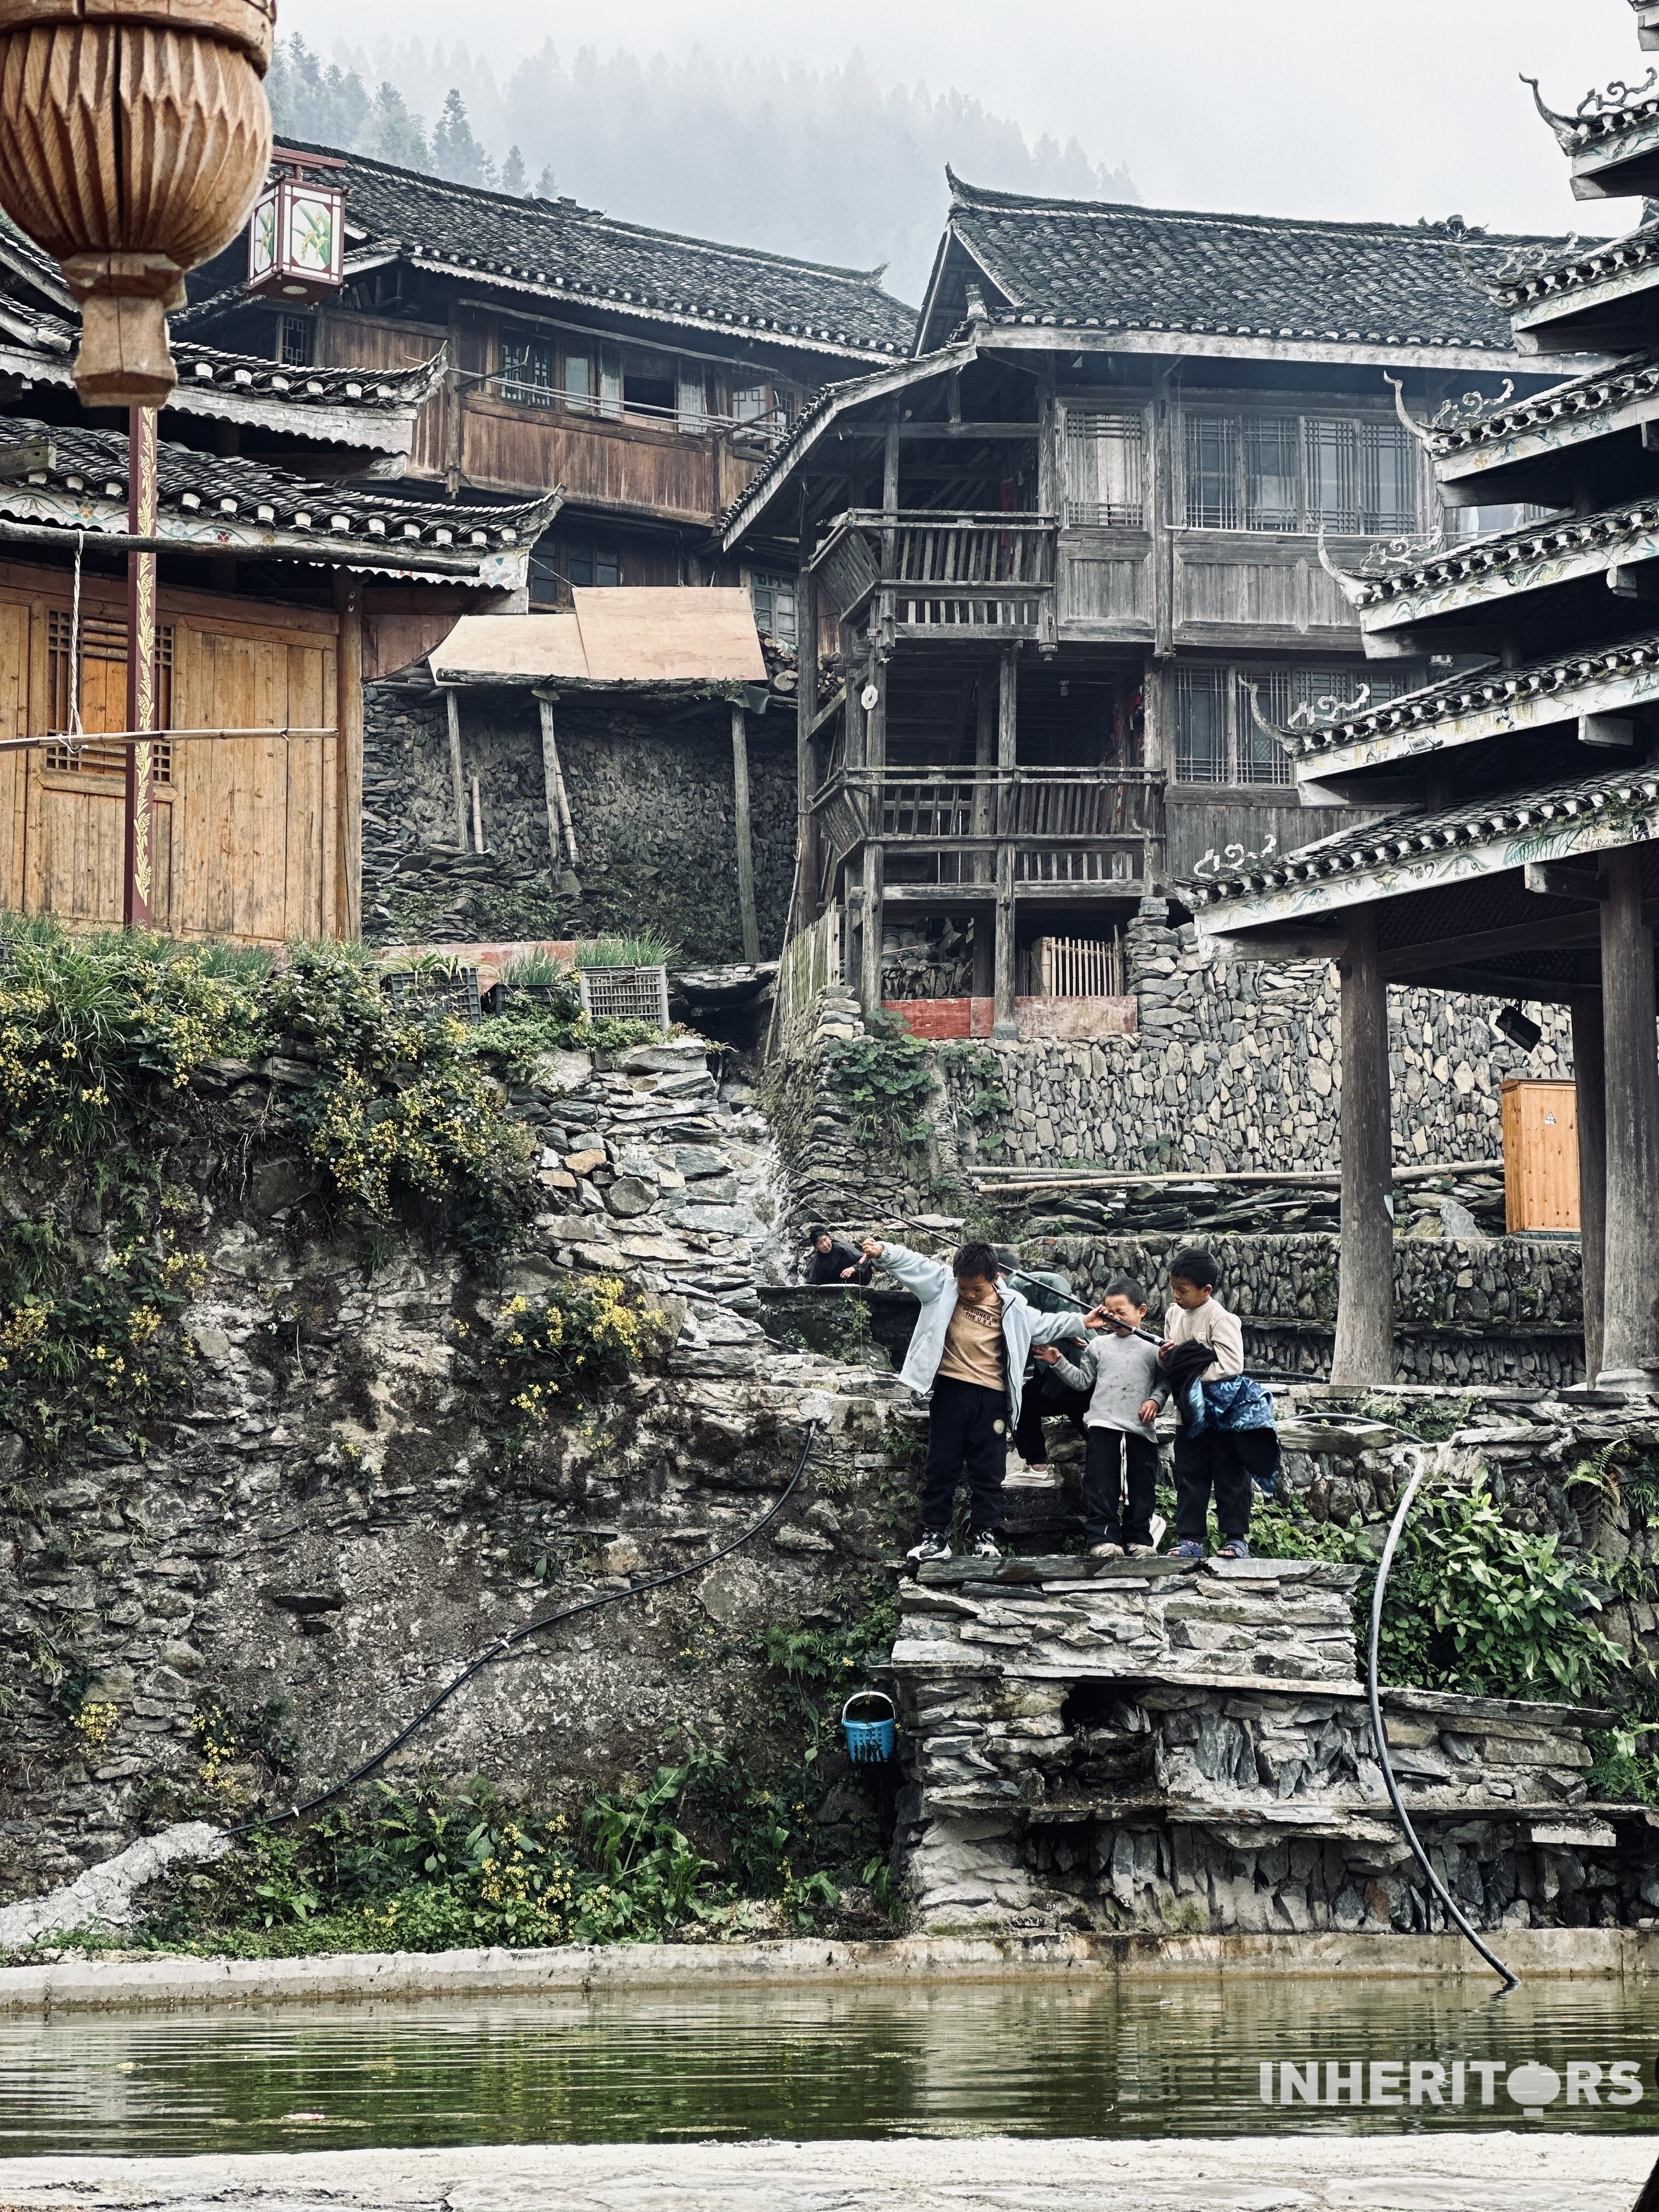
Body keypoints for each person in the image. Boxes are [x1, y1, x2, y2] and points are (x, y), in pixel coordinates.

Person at [861, 1235, 1090, 1564]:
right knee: (941, 1466)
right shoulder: (943, 1288)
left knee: (989, 1470)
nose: (968, 1294)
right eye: (963, 1287)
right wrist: (885, 1251)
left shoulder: (1012, 1306)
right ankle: (935, 1537)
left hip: (993, 1397)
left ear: (995, 1278)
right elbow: (913, 1264)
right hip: (951, 1392)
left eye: (976, 1290)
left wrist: (1082, 1320)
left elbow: (1042, 1325)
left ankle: (985, 1535)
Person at [1158, 1245, 1278, 1562]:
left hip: (1223, 1415)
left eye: (1183, 1291)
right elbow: (1172, 1356)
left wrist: (1189, 1371)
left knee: (1231, 1475)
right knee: (1189, 1473)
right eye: (1173, 1289)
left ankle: (1236, 1538)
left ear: (1206, 1290)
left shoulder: (1222, 1319)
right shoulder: (1173, 1315)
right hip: (1190, 1414)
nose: (1176, 1297)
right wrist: (1168, 1359)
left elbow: (1230, 1364)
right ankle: (1190, 1538)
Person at [1034, 1276, 1166, 1559]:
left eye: (1123, 1312)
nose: (1116, 1318)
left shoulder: (1155, 1349)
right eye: (1110, 1313)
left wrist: (1156, 1399)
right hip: (1103, 1425)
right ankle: (1102, 1538)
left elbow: (1165, 1382)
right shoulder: (1097, 1346)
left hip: (1140, 1429)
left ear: (1141, 1311)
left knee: (1141, 1486)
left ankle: (1139, 1539)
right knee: (1101, 1484)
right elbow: (1083, 1382)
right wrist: (1058, 1361)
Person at [994, 1246, 1091, 1481]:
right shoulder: (1008, 1295)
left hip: (1078, 1373)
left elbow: (1057, 1284)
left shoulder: (1021, 1285)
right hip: (1053, 1377)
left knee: (1090, 1422)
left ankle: (1039, 1467)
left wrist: (1070, 1328)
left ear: (997, 1273)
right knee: (1023, 1403)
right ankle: (1038, 1468)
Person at [804, 1225, 872, 1286]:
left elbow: (865, 1261)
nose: (825, 1245)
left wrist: (853, 1269)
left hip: (857, 1277)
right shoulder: (818, 1259)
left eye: (825, 1240)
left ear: (829, 1238)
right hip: (838, 1282)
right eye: (820, 1243)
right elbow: (813, 1281)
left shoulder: (842, 1247)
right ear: (815, 1247)